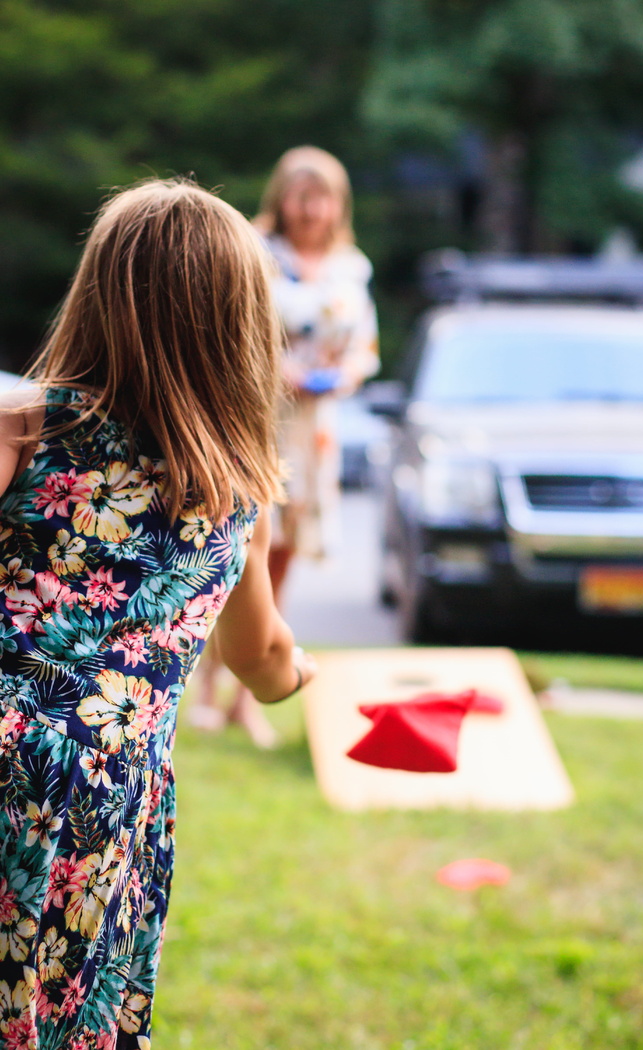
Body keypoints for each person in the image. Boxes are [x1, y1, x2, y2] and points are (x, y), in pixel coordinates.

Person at [0, 178, 315, 1049]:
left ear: (98, 295)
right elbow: (264, 662)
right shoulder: (238, 491)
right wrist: (303, 673)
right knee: (67, 1009)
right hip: (103, 797)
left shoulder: (24, 425)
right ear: (241, 325)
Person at [190, 146, 379, 742]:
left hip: (314, 430)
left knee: (280, 560)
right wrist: (276, 371)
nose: (311, 207)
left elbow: (365, 348)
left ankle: (249, 692)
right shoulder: (256, 253)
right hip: (259, 417)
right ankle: (210, 688)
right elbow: (229, 325)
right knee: (237, 550)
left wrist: (345, 374)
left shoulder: (352, 268)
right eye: (301, 193)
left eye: (322, 195)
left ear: (337, 203)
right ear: (282, 197)